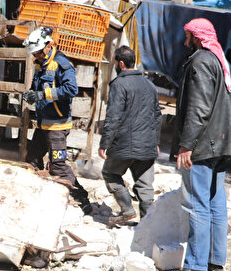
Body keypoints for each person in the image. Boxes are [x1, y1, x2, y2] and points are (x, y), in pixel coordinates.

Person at [168, 18, 231, 271]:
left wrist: (187, 145)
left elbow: (199, 107)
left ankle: (195, 266)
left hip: (203, 145)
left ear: (197, 37)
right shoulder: (221, 61)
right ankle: (215, 259)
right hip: (220, 143)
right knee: (215, 201)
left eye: (188, 36)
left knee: (197, 203)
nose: (186, 41)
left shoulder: (200, 62)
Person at [22, 26, 91, 211]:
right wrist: (31, 94)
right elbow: (38, 88)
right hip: (44, 124)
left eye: (37, 52)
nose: (36, 56)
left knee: (58, 166)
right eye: (34, 54)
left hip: (58, 127)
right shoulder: (40, 63)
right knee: (32, 159)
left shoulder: (61, 64)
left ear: (47, 46)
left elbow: (71, 89)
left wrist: (42, 95)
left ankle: (82, 199)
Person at [98, 46, 163, 226]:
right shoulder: (150, 85)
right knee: (145, 187)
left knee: (110, 173)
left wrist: (104, 143)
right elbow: (157, 116)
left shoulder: (119, 84)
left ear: (120, 64)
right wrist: (155, 142)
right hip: (147, 146)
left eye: (114, 64)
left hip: (124, 145)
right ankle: (148, 226)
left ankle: (127, 209)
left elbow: (113, 117)